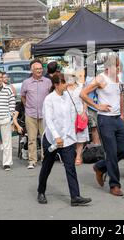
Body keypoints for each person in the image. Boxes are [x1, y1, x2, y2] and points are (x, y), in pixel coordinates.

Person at [37, 73, 92, 206]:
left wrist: (70, 134)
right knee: (47, 167)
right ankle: (41, 191)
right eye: (64, 83)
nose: (66, 85)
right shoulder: (49, 99)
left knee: (70, 167)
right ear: (56, 85)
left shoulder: (68, 96)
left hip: (67, 139)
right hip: (52, 139)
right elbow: (48, 120)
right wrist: (56, 136)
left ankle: (75, 197)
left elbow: (71, 116)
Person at [81, 55, 124, 196]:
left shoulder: (118, 79)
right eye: (117, 66)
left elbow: (120, 95)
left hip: (117, 119)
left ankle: (100, 167)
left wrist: (122, 114)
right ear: (109, 67)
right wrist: (97, 106)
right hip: (105, 120)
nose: (119, 69)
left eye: (119, 66)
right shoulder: (100, 78)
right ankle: (114, 185)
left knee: (123, 149)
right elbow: (83, 94)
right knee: (111, 152)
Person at [20, 59, 52, 169]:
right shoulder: (26, 83)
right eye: (36, 69)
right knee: (32, 139)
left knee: (45, 138)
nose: (39, 70)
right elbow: (23, 97)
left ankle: (45, 159)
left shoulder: (48, 81)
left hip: (44, 114)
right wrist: (27, 107)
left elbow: (51, 96)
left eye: (40, 68)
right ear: (32, 70)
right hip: (31, 114)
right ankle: (32, 160)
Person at [66, 69, 89, 166]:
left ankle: (78, 156)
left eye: (71, 75)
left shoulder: (81, 87)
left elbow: (86, 100)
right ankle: (70, 156)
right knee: (68, 136)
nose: (69, 77)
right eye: (67, 75)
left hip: (80, 114)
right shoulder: (63, 88)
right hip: (67, 115)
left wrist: (84, 112)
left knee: (80, 135)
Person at [85, 68, 101, 145]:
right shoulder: (88, 79)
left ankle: (98, 144)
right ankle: (96, 144)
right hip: (91, 105)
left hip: (99, 105)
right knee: (94, 126)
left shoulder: (101, 77)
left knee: (98, 126)